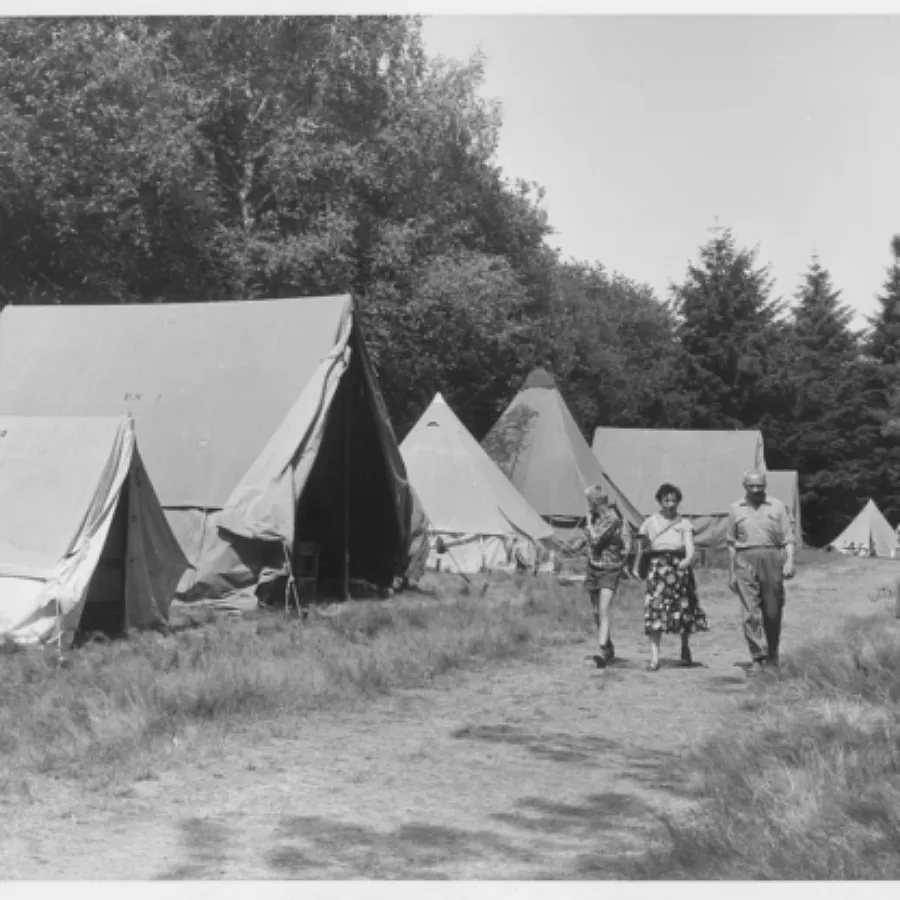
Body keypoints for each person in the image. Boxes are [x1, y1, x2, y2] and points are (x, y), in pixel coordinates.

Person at [632, 482, 708, 671]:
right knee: (655, 609)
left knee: (682, 610)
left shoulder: (684, 524)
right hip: (657, 569)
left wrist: (687, 560)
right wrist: (636, 566)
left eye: (674, 500)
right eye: (666, 500)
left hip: (678, 569)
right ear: (660, 501)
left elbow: (690, 546)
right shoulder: (650, 522)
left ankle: (685, 646)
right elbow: (641, 547)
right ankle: (655, 656)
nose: (670, 504)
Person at [726, 470, 796, 675]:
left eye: (760, 486)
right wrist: (731, 572)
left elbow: (788, 538)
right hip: (744, 558)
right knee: (750, 613)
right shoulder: (735, 509)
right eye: (752, 486)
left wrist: (789, 561)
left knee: (772, 611)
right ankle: (758, 657)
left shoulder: (777, 506)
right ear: (744, 486)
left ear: (765, 485)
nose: (756, 490)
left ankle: (773, 655)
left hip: (772, 556)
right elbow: (730, 543)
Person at [584, 484, 631, 668]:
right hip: (593, 566)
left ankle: (602, 649)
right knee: (596, 611)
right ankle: (609, 646)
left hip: (609, 569)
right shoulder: (595, 517)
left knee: (604, 609)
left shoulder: (611, 519)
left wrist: (588, 523)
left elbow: (595, 539)